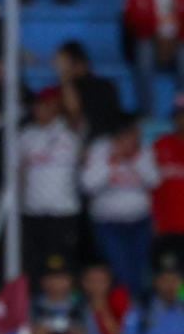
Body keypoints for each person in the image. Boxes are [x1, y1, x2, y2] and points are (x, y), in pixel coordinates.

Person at [81, 120, 160, 295]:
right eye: (124, 136)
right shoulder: (100, 149)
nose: (128, 140)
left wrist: (135, 159)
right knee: (119, 269)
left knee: (139, 270)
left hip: (139, 222)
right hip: (109, 223)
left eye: (132, 136)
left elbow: (154, 180)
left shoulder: (143, 150)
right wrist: (113, 161)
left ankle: (136, 311)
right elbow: (88, 185)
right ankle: (123, 311)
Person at [20, 87, 82, 282]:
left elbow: (75, 112)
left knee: (62, 264)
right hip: (33, 211)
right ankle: (38, 305)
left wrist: (65, 76)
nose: (40, 110)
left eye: (46, 106)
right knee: (35, 264)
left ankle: (66, 307)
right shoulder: (25, 135)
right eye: (38, 106)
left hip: (63, 211)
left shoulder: (69, 132)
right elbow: (18, 172)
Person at [124, 0, 184, 119]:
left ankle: (181, 110)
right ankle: (147, 112)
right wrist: (155, 35)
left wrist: (175, 38)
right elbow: (131, 19)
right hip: (149, 39)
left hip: (178, 41)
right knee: (144, 53)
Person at [119, 250, 184, 334]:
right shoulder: (141, 310)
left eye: (174, 280)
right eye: (165, 280)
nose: (170, 285)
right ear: (156, 282)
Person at [29, 254, 92, 334]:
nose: (56, 283)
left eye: (61, 278)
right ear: (43, 281)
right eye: (51, 278)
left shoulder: (83, 307)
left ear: (70, 280)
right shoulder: (31, 307)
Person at [55, 41, 122, 142]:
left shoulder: (104, 87)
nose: (59, 67)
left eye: (63, 63)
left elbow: (75, 114)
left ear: (78, 62)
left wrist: (65, 77)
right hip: (78, 141)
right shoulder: (65, 87)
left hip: (102, 143)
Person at [154, 96, 184, 259]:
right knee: (169, 277)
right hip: (167, 226)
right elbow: (150, 187)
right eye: (180, 115)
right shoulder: (161, 145)